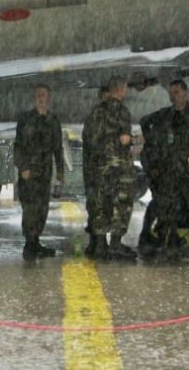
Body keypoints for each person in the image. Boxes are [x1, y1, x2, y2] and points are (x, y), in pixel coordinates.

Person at [143, 79, 189, 256]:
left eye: (176, 92)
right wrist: (153, 142)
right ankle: (161, 236)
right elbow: (145, 122)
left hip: (187, 167)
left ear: (185, 93)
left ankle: (178, 235)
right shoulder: (165, 114)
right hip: (169, 168)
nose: (173, 96)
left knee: (188, 203)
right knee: (165, 204)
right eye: (171, 93)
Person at [86, 76, 137, 259]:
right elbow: (123, 138)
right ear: (121, 89)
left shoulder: (96, 112)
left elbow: (91, 139)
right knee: (122, 203)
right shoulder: (121, 111)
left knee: (101, 203)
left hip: (101, 167)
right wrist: (129, 140)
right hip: (119, 166)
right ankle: (115, 244)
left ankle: (100, 244)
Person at [14, 83, 65, 259]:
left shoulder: (53, 120)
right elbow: (18, 146)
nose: (41, 98)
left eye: (43, 95)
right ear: (34, 97)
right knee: (30, 208)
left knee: (42, 208)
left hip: (45, 171)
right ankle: (29, 244)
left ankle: (36, 242)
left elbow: (58, 147)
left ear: (48, 97)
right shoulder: (26, 119)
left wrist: (60, 171)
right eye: (38, 95)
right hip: (29, 172)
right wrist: (23, 167)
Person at [81, 85, 109, 256]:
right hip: (96, 170)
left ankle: (97, 242)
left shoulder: (99, 117)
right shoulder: (97, 118)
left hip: (98, 170)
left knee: (98, 206)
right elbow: (95, 145)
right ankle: (98, 243)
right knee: (98, 206)